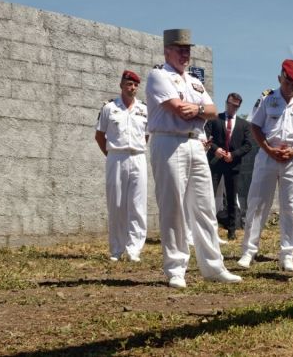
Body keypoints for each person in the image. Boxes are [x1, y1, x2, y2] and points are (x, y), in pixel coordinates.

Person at [145, 29, 241, 289]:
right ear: (167, 51)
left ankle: (214, 267)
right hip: (169, 141)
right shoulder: (159, 75)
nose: (185, 54)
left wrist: (197, 109)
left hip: (196, 143)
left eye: (187, 50)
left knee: (205, 206)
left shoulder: (195, 82)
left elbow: (212, 111)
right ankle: (176, 268)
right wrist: (199, 110)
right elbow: (178, 110)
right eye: (180, 49)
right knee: (173, 206)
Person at [238, 60, 293, 272]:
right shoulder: (267, 98)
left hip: (292, 158)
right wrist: (268, 149)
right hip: (267, 156)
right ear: (280, 78)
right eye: (287, 82)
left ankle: (287, 255)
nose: (291, 87)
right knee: (257, 203)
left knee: (291, 206)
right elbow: (255, 126)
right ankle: (248, 251)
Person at [95, 70, 148, 262]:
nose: (132, 88)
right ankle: (116, 249)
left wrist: (136, 150)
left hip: (138, 157)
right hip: (116, 157)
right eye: (128, 84)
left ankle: (134, 249)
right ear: (121, 85)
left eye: (135, 85)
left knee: (137, 204)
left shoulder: (144, 109)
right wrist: (111, 155)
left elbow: (146, 136)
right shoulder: (109, 108)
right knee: (116, 203)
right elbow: (99, 135)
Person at [205, 93, 253, 240]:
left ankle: (232, 231)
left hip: (233, 165)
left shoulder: (244, 124)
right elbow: (206, 137)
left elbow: (248, 145)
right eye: (231, 104)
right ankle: (208, 230)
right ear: (226, 103)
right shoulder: (214, 119)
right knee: (209, 196)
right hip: (215, 163)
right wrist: (215, 149)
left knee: (232, 199)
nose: (233, 107)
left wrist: (233, 155)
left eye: (236, 106)